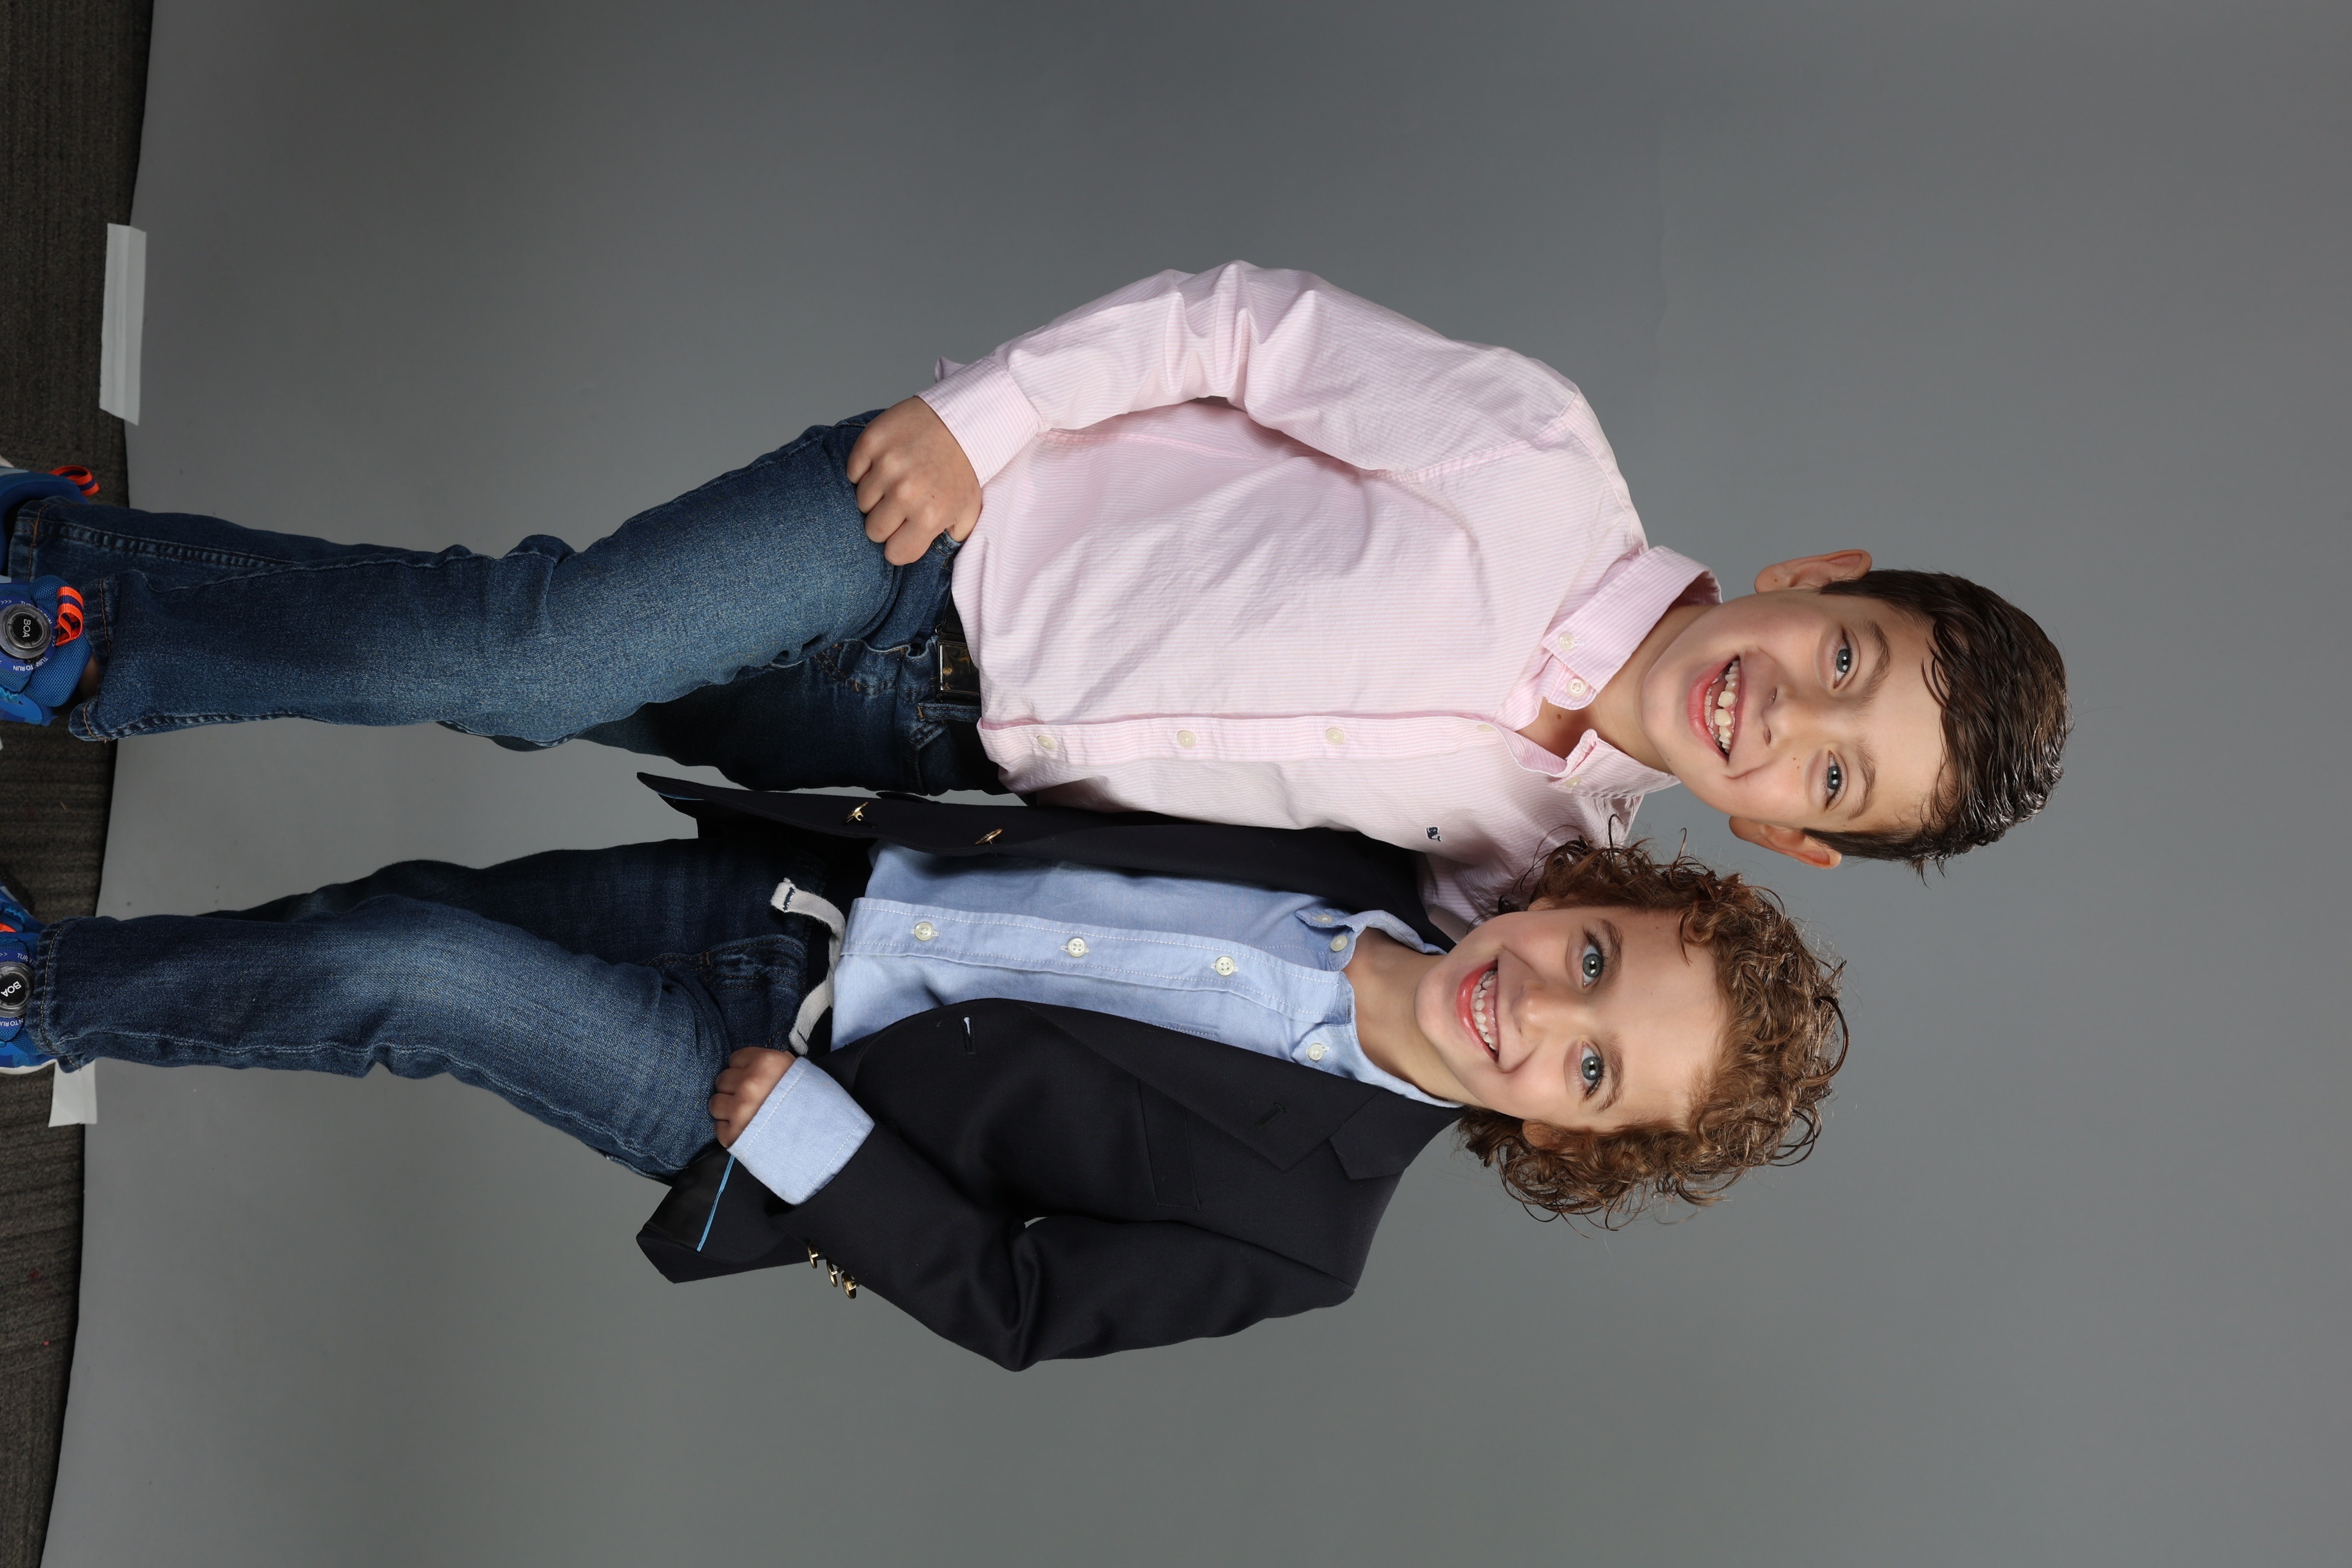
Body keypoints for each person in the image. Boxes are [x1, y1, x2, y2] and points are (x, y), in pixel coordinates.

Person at [0, 262, 2070, 931]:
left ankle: (91, 597)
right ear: (1818, 578)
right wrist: (982, 418)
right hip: (936, 538)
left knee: (518, 687)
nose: (1787, 714)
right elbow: (1239, 327)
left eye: (1835, 770)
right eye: (1846, 659)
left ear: (1795, 837)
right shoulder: (1542, 464)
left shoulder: (1539, 873)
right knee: (529, 653)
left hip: (932, 762)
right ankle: (55, 602)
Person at [0, 780, 1845, 1368]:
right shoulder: (1366, 845)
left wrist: (815, 1148)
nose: (1542, 1013)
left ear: (1561, 1140)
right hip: (792, 894)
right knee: (418, 917)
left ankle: (42, 991)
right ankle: (85, 988)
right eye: (1593, 963)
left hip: (771, 1083)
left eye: (1590, 1070)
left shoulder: (1307, 1235)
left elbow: (1021, 1302)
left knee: (414, 978)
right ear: (1578, 893)